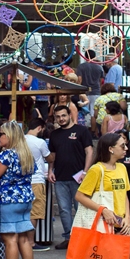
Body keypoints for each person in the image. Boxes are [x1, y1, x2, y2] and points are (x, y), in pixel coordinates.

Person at [0, 121, 37, 259]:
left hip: (8, 200)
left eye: (1, 134)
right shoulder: (26, 154)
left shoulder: (6, 155)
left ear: (10, 136)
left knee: (10, 240)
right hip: (25, 199)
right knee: (23, 238)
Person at [47, 105, 94, 250]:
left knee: (81, 208)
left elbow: (89, 151)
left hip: (78, 178)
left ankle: (83, 238)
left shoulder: (82, 131)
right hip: (60, 177)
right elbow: (52, 156)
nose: (61, 119)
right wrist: (50, 170)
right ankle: (69, 237)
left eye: (63, 115)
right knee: (64, 210)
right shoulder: (54, 135)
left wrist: (85, 172)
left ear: (69, 115)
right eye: (58, 117)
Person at [25, 118, 54, 252]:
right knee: (34, 212)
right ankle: (31, 242)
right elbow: (50, 158)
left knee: (23, 212)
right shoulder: (39, 142)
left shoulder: (20, 140)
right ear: (39, 128)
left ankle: (22, 241)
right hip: (36, 180)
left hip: (22, 181)